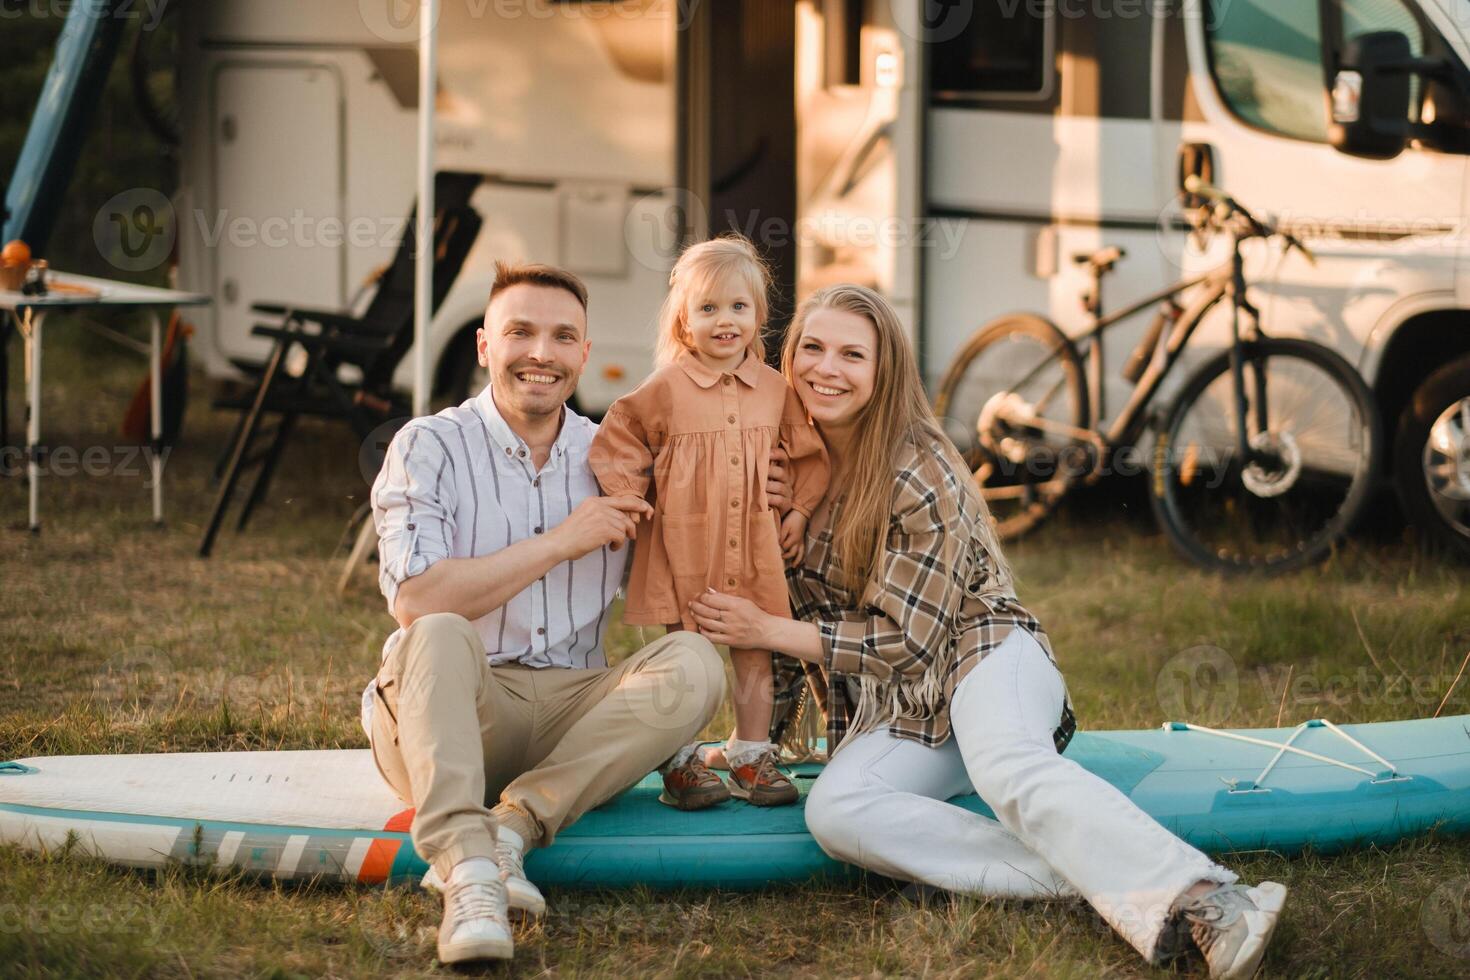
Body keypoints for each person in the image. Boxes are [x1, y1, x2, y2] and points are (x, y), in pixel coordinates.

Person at [689, 284, 1287, 980]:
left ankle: (1215, 903)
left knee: (1008, 770)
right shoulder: (779, 470)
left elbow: (910, 640)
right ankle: (1110, 881)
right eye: (811, 349)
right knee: (838, 811)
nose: (827, 368)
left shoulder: (919, 467)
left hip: (983, 652)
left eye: (852, 354)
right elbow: (777, 622)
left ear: (884, 373)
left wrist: (768, 627)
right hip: (903, 710)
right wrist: (752, 743)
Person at [362, 261, 731, 965]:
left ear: (584, 355)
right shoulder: (428, 445)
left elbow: (685, 589)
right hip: (450, 707)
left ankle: (512, 830)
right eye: (520, 332)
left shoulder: (612, 455)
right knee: (437, 630)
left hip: (569, 713)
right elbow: (418, 599)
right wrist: (562, 540)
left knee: (691, 662)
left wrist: (767, 484)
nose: (542, 353)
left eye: (563, 337)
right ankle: (469, 876)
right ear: (483, 346)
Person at [590, 235, 828, 808]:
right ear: (683, 322)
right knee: (686, 661)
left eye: (738, 307)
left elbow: (808, 453)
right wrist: (630, 496)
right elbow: (618, 437)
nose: (726, 321)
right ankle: (682, 763)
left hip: (753, 547)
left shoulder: (776, 390)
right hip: (683, 547)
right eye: (709, 309)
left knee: (754, 652)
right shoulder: (665, 389)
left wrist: (796, 510)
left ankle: (750, 755)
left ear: (759, 316)